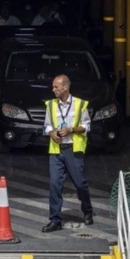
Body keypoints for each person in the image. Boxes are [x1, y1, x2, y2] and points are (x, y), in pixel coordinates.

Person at [42, 74, 94, 233]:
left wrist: (71, 129)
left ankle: (87, 209)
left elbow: (87, 127)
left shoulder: (79, 104)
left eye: (56, 87)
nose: (53, 90)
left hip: (72, 149)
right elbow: (47, 126)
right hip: (57, 150)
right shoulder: (51, 105)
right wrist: (52, 134)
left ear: (65, 87)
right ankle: (55, 219)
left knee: (80, 184)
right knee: (54, 184)